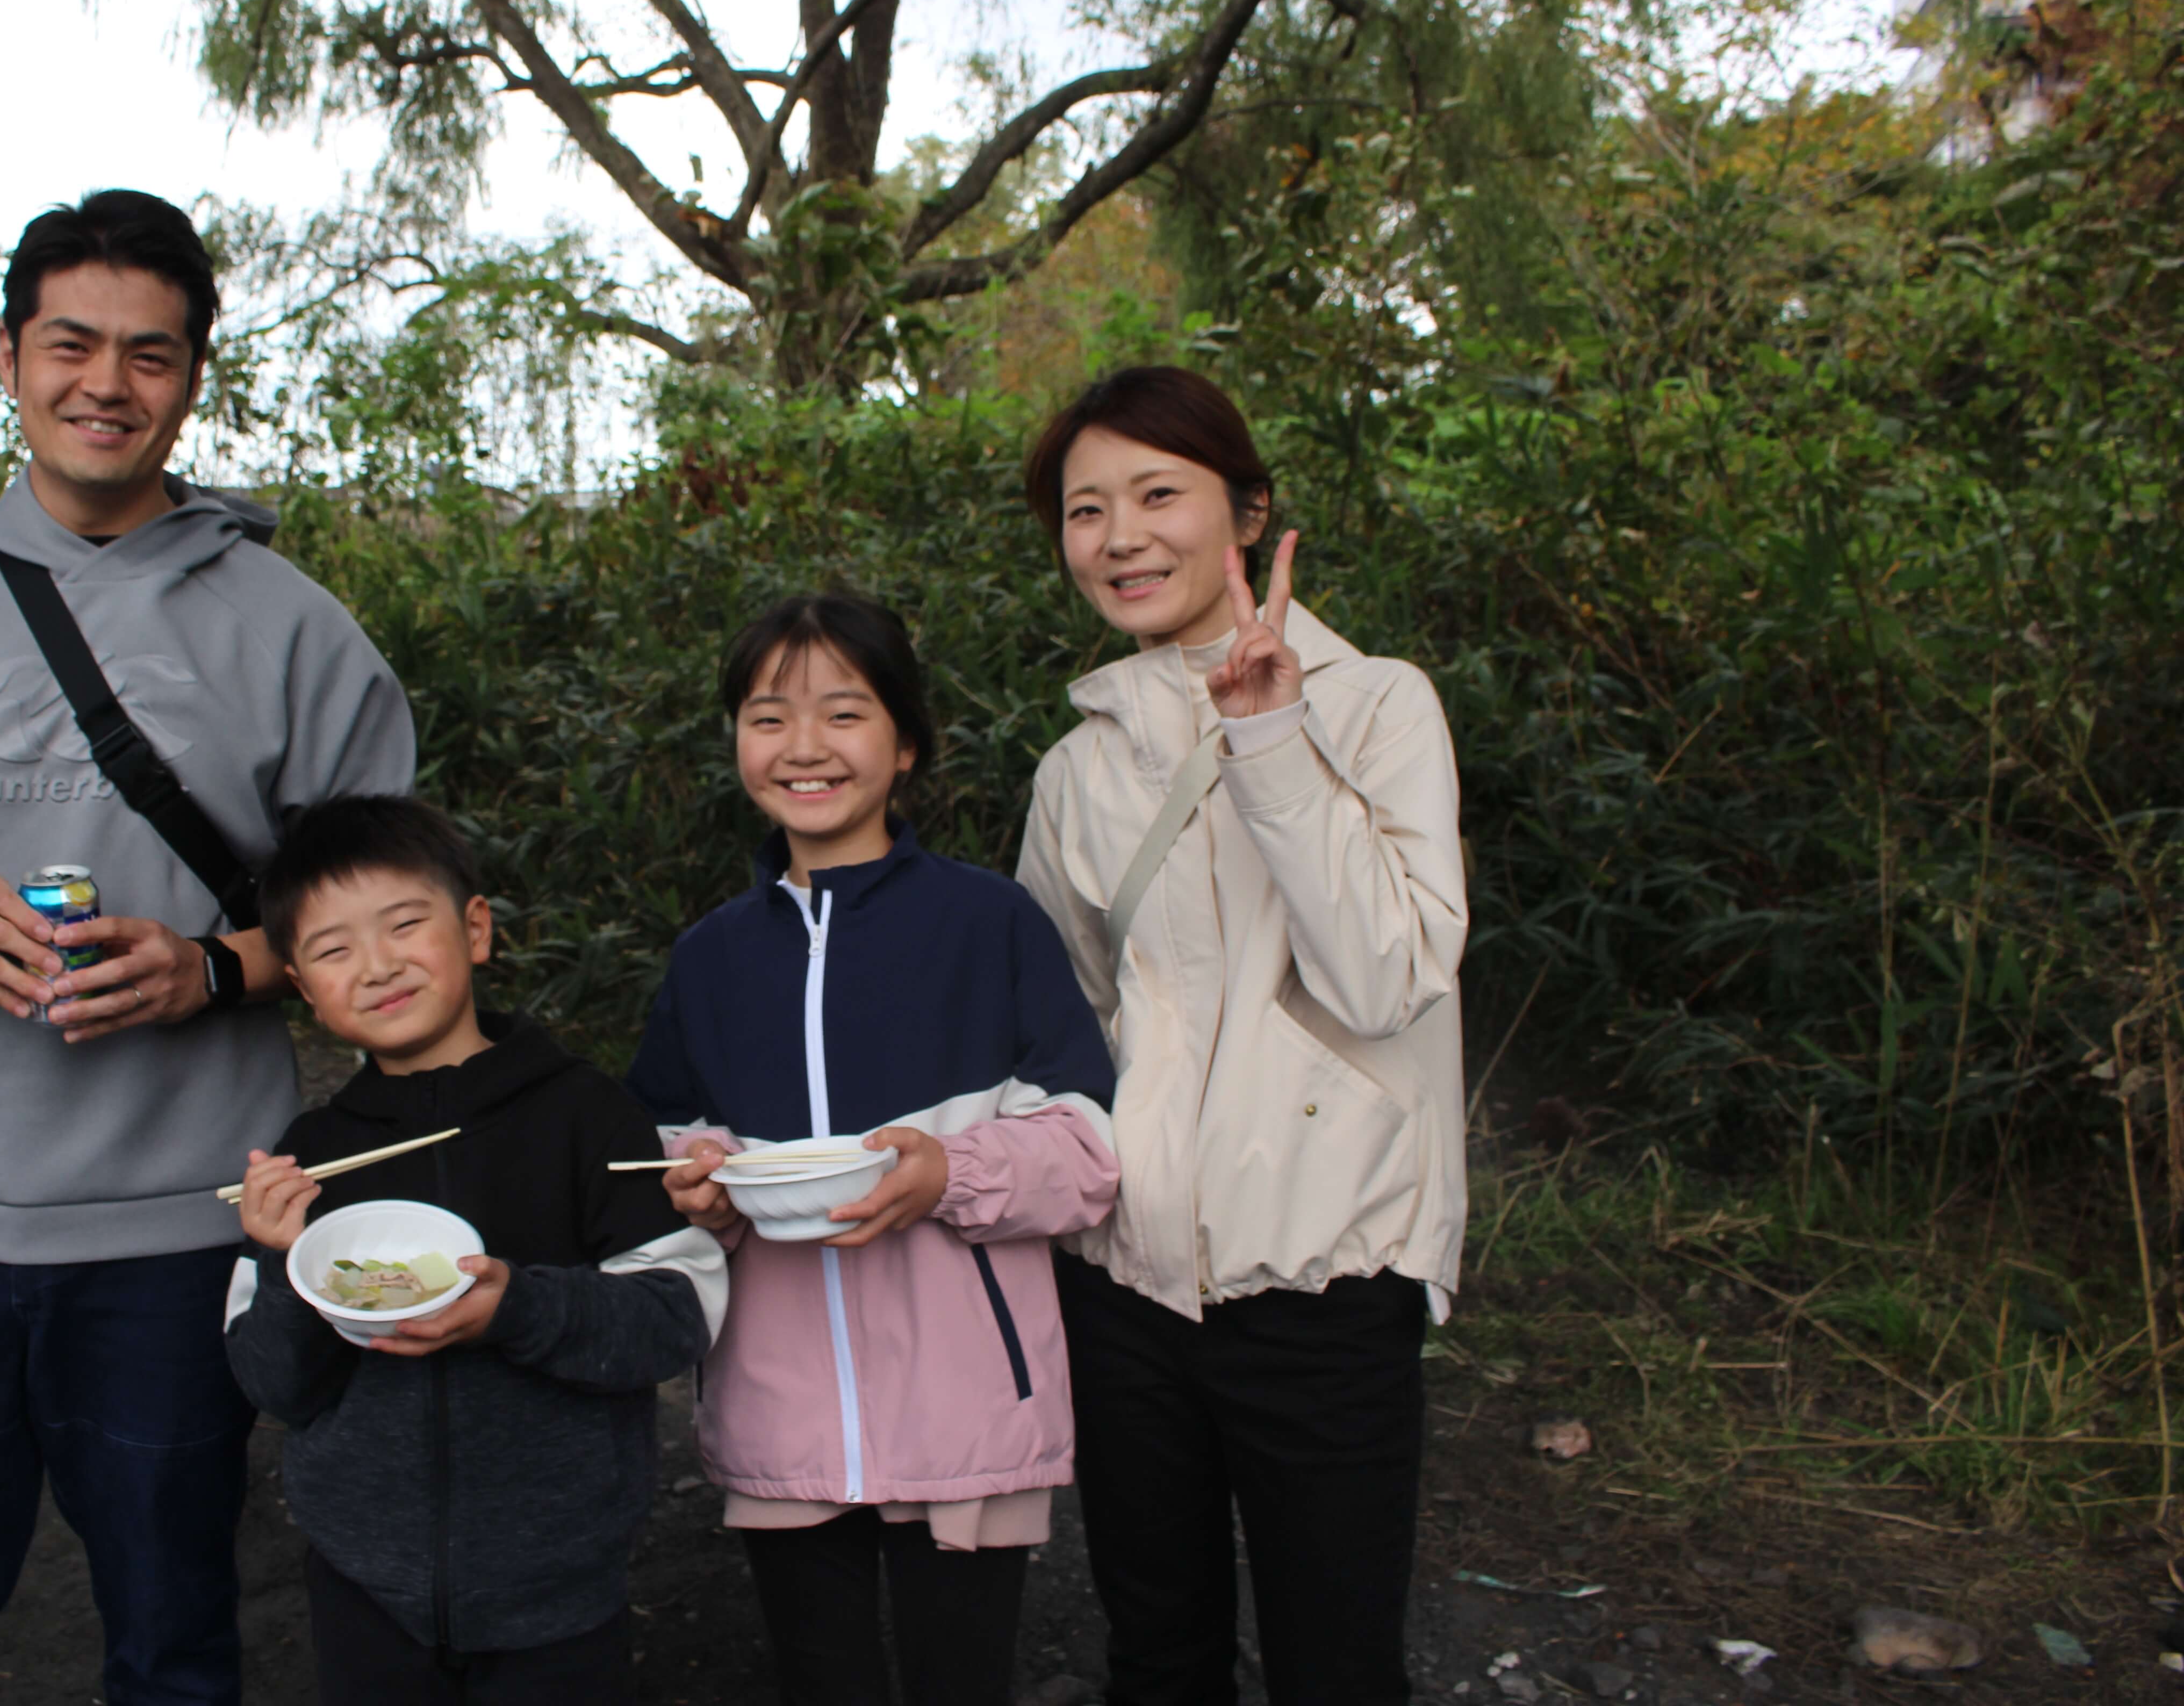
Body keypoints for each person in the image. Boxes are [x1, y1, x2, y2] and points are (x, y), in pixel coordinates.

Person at [0, 188, 415, 1706]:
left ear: (193, 378)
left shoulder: (297, 630)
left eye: (151, 354)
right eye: (73, 344)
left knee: (175, 1646)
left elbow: (389, 931)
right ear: (11, 358)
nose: (107, 383)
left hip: (180, 1236)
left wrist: (218, 969)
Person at [1014, 365, 1469, 1705]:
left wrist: (1270, 736)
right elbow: (1069, 1022)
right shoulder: (1079, 767)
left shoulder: (1381, 707)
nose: (1121, 536)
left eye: (1160, 494)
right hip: (1126, 1283)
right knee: (1159, 1654)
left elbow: (1389, 977)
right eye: (1086, 510)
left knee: (1337, 1662)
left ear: (1249, 516)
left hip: (1329, 1280)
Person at [630, 594, 1122, 1706]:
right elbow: (656, 1140)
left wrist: (953, 1172)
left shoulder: (989, 924)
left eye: (843, 713)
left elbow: (1088, 1147)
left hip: (969, 1408)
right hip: (778, 1406)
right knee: (822, 1680)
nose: (805, 747)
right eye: (768, 717)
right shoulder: (709, 960)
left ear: (905, 746)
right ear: (736, 743)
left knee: (965, 1683)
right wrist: (697, 1184)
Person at [225, 794, 723, 1706]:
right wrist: (284, 1263)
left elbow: (673, 1319)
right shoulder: (309, 1156)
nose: (377, 966)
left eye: (405, 925)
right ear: (301, 984)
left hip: (561, 1588)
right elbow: (274, 1386)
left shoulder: (585, 1114)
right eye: (334, 950)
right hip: (364, 1585)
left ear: (477, 929)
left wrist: (516, 1309)